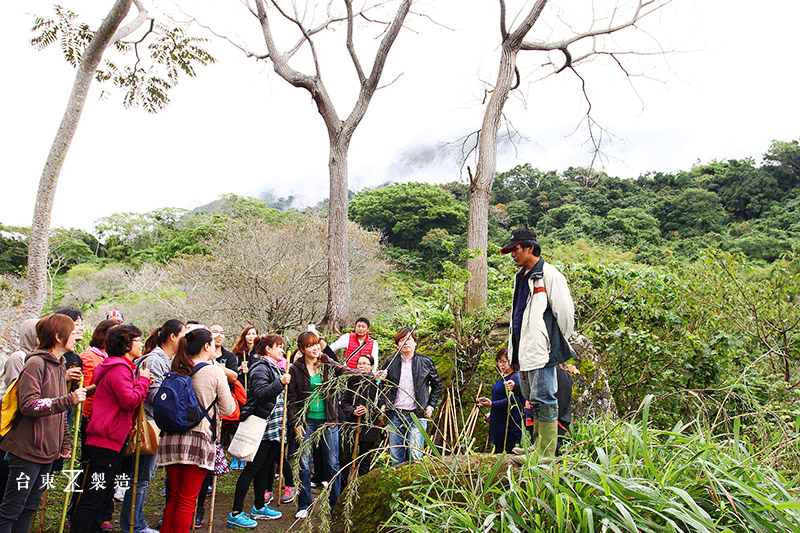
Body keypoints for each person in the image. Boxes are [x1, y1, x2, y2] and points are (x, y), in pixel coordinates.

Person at [0, 314, 87, 533]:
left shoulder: (59, 364)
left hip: (47, 451)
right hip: (27, 448)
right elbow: (29, 405)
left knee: (30, 506)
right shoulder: (35, 363)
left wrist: (64, 442)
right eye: (71, 331)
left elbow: (59, 411)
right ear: (58, 337)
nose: (76, 335)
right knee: (12, 508)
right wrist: (70, 399)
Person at [287, 331, 379, 519]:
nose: (314, 348)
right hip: (307, 422)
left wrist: (368, 374)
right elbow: (292, 400)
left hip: (329, 421)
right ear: (302, 349)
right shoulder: (296, 369)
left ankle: (334, 504)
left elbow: (345, 371)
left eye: (316, 344)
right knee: (304, 464)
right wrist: (295, 423)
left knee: (333, 463)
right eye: (309, 346)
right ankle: (304, 504)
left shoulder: (326, 361)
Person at [501, 228, 575, 461]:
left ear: (530, 248)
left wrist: (552, 343)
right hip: (524, 349)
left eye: (515, 249)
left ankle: (546, 452)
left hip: (542, 350)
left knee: (545, 397)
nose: (512, 254)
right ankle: (537, 445)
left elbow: (565, 315)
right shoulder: (521, 277)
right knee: (532, 398)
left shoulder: (550, 275)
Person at [71, 324, 152, 533]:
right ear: (126, 344)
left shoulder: (120, 367)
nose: (141, 344)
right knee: (95, 494)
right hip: (106, 438)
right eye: (137, 340)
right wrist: (143, 381)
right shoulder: (118, 368)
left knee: (103, 492)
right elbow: (129, 400)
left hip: (112, 437)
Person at [157, 326, 235, 533]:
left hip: (170, 439)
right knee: (187, 499)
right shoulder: (214, 371)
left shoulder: (176, 368)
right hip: (197, 440)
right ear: (206, 346)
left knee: (174, 495)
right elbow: (229, 408)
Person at [120, 319, 186, 533]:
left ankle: (135, 523)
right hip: (147, 423)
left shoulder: (168, 359)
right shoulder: (155, 360)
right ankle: (134, 525)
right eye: (183, 334)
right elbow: (153, 394)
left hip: (155, 423)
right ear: (173, 337)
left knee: (143, 478)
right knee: (140, 478)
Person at [227, 335, 289, 528]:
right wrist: (280, 382)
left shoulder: (275, 368)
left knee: (264, 467)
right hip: (261, 426)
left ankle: (259, 507)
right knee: (251, 469)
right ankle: (236, 512)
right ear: (267, 350)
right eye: (278, 347)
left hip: (273, 426)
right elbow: (261, 393)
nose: (282, 350)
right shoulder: (261, 368)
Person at [379, 327, 442, 466]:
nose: (406, 343)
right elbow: (380, 385)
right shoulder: (391, 362)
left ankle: (415, 485)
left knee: (415, 454)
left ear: (415, 342)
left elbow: (437, 385)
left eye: (409, 339)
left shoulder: (425, 362)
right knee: (396, 455)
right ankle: (397, 485)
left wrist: (431, 406)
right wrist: (382, 402)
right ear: (397, 345)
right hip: (395, 414)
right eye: (402, 340)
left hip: (418, 415)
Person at [340, 354, 382, 483]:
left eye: (365, 363)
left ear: (372, 366)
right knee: (345, 458)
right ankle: (344, 487)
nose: (362, 366)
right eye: (359, 364)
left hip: (369, 426)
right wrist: (353, 410)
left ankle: (360, 486)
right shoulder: (352, 381)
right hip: (351, 425)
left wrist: (367, 411)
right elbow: (344, 402)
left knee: (364, 460)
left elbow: (381, 404)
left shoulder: (378, 383)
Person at [477, 348, 524, 453]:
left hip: (509, 423)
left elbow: (513, 400)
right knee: (498, 450)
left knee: (508, 452)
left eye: (504, 362)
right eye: (500, 361)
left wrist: (492, 404)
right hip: (498, 422)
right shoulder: (502, 377)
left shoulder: (515, 377)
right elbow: (499, 398)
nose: (502, 365)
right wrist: (492, 413)